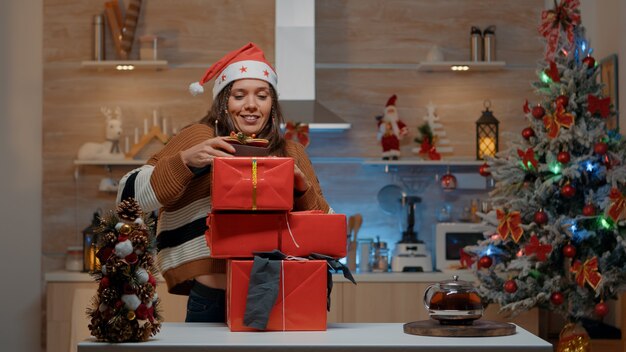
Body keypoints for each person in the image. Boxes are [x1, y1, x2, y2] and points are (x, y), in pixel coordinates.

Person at [116, 42, 331, 323]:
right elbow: (126, 198)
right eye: (239, 95)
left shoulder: (290, 153)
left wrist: (302, 190)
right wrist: (185, 160)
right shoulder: (197, 139)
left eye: (262, 95)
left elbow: (327, 227)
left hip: (277, 294)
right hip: (211, 296)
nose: (251, 105)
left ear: (272, 105)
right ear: (222, 103)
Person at [376, 94, 408, 160]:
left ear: (395, 112)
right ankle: (386, 155)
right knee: (385, 146)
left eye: (392, 111)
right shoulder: (383, 122)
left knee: (395, 145)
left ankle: (395, 156)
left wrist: (403, 131)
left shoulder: (397, 122)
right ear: (386, 112)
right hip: (385, 137)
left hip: (394, 137)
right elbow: (379, 125)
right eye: (389, 111)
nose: (391, 113)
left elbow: (404, 127)